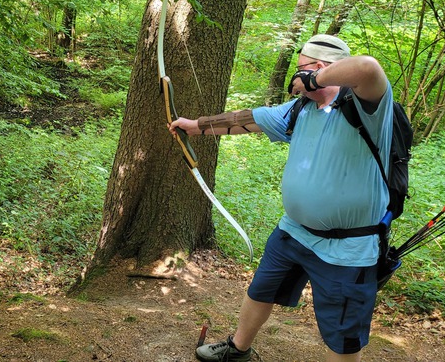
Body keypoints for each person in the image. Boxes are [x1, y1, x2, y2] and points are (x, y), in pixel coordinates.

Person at [168, 34, 393, 362]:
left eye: (300, 68)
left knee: (343, 334)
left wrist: (313, 78)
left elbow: (367, 67)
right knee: (261, 290)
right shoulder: (301, 109)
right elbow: (248, 119)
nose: (295, 79)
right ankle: (238, 349)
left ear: (319, 67)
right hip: (293, 232)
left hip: (347, 248)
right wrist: (194, 126)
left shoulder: (367, 108)